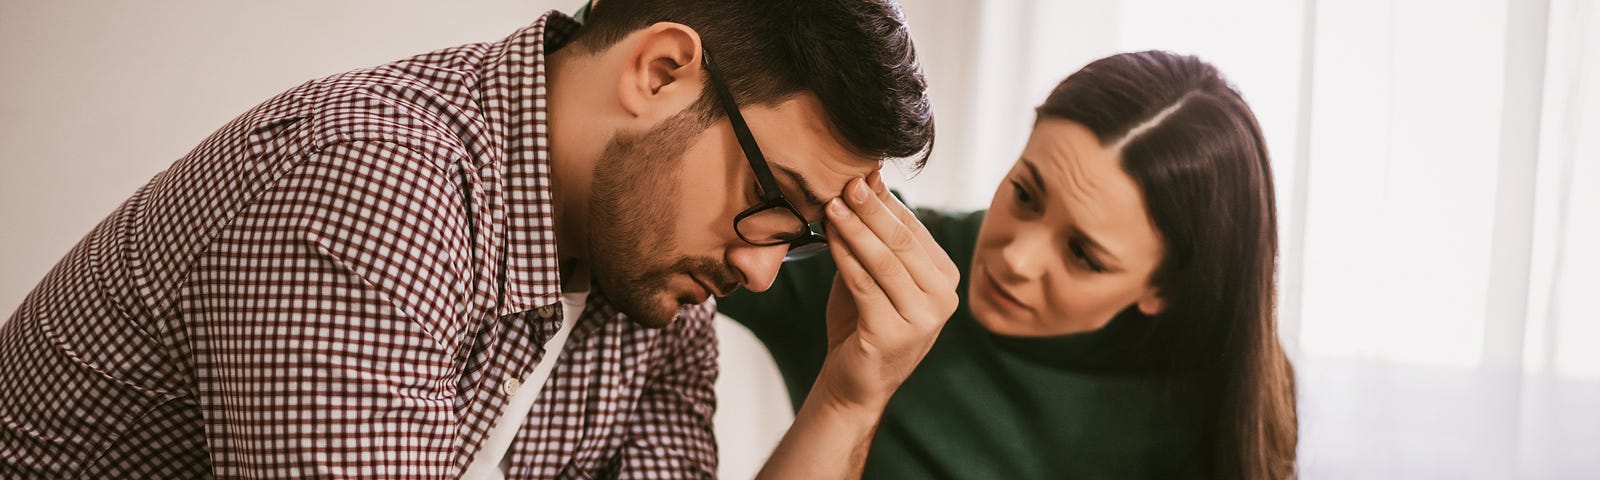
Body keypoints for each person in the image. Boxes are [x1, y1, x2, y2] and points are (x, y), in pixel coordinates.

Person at [0, 1, 959, 478]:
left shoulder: (657, 292)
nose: (756, 271)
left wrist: (848, 394)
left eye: (794, 239)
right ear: (661, 71)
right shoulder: (372, 178)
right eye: (767, 195)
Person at [719, 50, 1299, 479]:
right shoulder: (879, 273)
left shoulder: (1214, 412)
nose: (1015, 259)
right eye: (1025, 194)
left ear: (1165, 291)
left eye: (1083, 255)